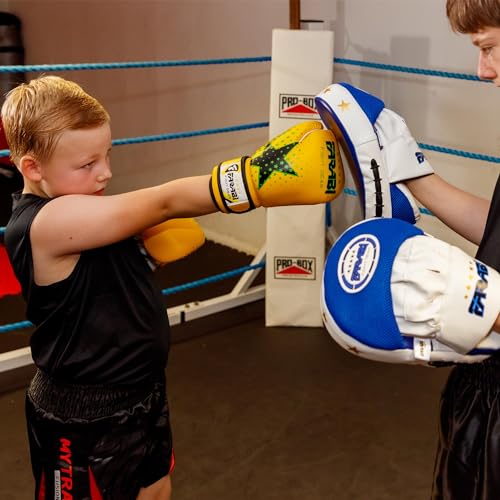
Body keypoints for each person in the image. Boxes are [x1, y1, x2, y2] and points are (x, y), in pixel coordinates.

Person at [2, 75, 343, 500]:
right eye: (87, 165)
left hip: (142, 390)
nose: (105, 172)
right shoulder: (43, 224)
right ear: (32, 167)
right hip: (83, 413)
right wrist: (258, 176)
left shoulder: (87, 213)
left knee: (157, 488)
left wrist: (144, 258)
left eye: (107, 155)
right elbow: (165, 201)